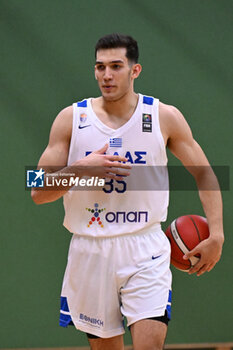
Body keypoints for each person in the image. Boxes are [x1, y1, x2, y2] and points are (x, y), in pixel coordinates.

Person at [31, 33, 224, 350]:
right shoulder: (71, 119)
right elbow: (37, 189)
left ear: (135, 70)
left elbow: (204, 173)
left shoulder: (163, 117)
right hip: (91, 248)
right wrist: (80, 169)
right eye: (100, 67)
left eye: (116, 66)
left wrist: (216, 233)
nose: (106, 75)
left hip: (145, 245)